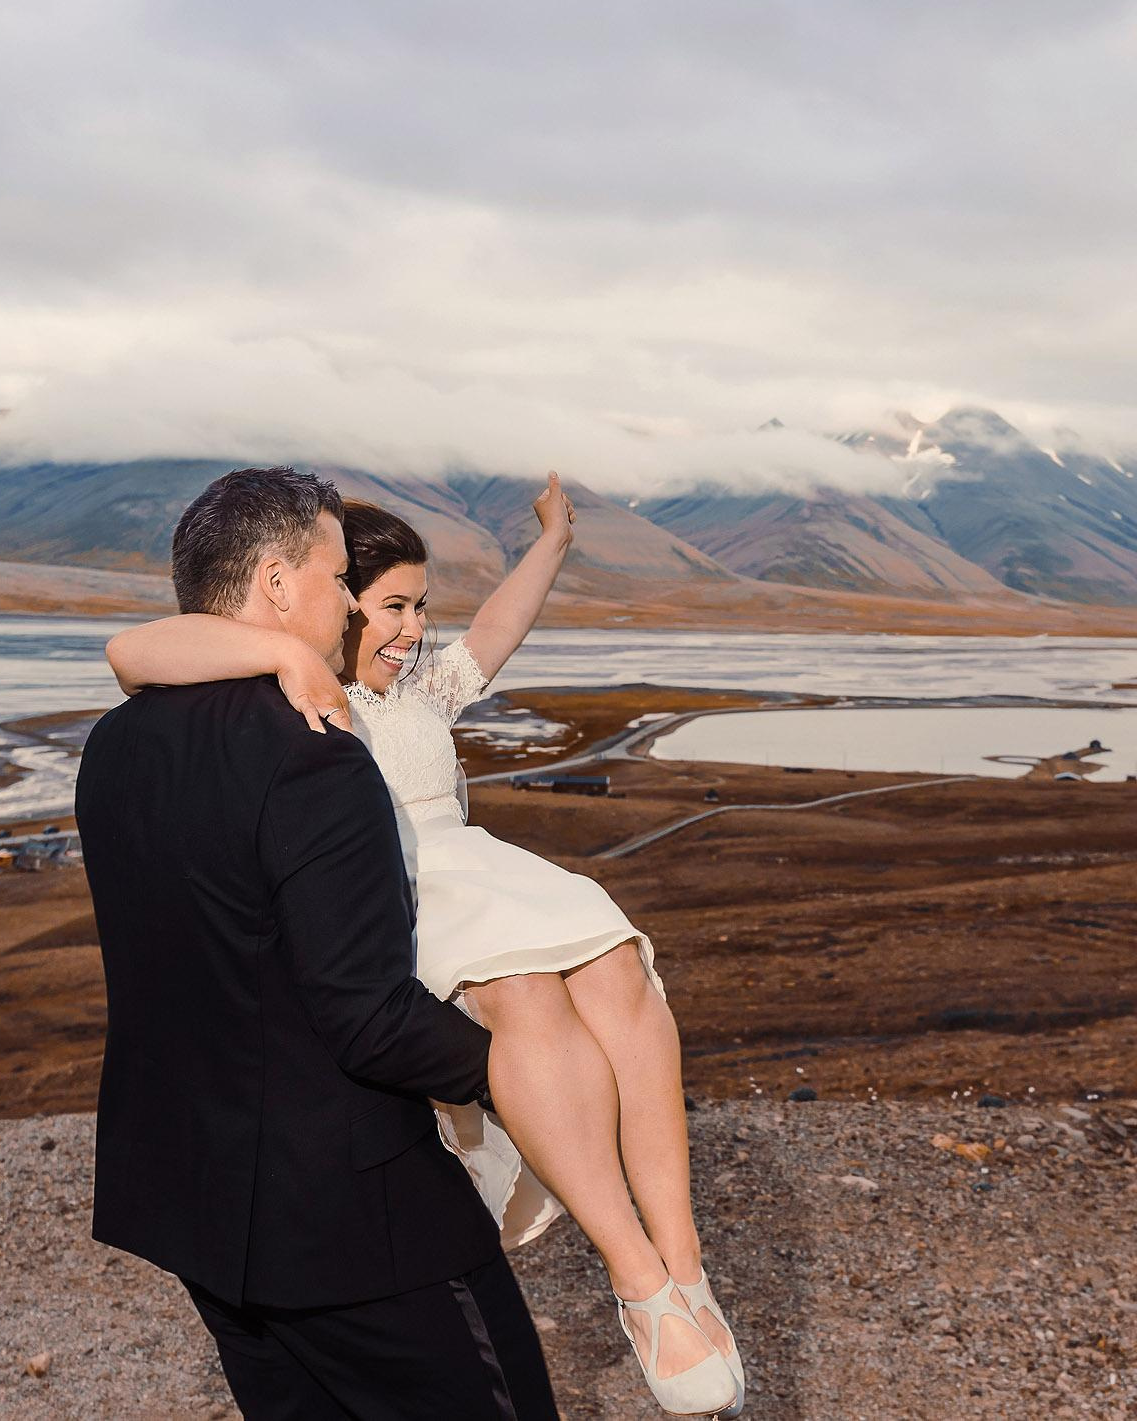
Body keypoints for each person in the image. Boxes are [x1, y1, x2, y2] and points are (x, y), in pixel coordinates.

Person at [107, 473, 744, 1418]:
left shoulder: (142, 741)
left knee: (619, 968)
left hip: (209, 1177)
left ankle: (678, 1269)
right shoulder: (314, 713)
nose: (401, 624)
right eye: (365, 594)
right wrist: (519, 1087)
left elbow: (497, 626)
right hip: (394, 988)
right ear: (299, 589)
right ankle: (638, 1276)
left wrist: (554, 541)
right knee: (528, 1001)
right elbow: (134, 648)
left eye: (415, 604)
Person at [76, 466, 559, 1420]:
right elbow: (367, 1017)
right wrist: (518, 1072)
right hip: (352, 1217)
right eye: (338, 579)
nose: (348, 604)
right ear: (275, 582)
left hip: (194, 1207)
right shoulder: (318, 756)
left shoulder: (115, 746)